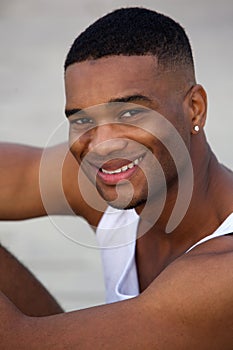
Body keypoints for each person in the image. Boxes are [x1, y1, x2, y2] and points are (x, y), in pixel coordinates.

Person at [1, 7, 233, 349]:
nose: (102, 144)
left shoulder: (222, 274)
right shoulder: (113, 184)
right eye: (82, 120)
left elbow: (17, 341)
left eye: (129, 113)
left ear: (195, 107)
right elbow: (16, 178)